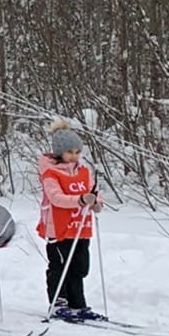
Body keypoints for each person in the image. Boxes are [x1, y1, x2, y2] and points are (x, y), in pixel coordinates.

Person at [38, 121, 103, 320]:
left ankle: (77, 302)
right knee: (60, 265)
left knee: (79, 266)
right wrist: (80, 200)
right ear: (59, 152)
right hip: (58, 228)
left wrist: (96, 203)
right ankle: (59, 301)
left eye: (77, 152)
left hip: (81, 227)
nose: (74, 156)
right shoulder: (51, 173)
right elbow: (56, 197)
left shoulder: (84, 171)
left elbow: (93, 191)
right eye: (69, 152)